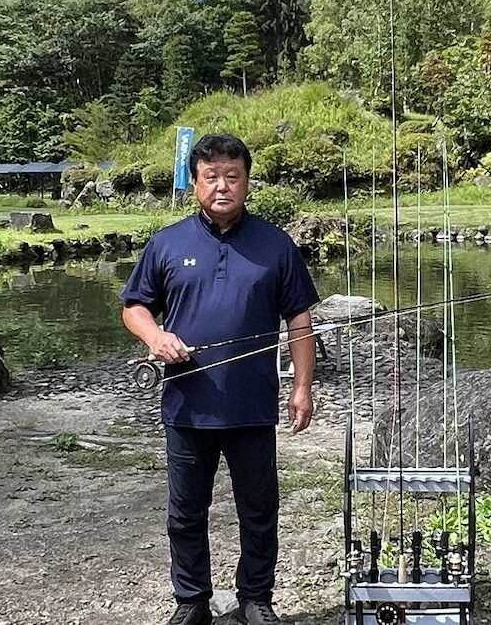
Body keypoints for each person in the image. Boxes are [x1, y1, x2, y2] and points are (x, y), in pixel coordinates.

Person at [120, 133, 320, 625]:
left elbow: (299, 320)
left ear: (247, 181)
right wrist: (155, 337)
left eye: (232, 176)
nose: (222, 186)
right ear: (195, 183)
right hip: (187, 406)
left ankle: (256, 598)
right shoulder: (167, 243)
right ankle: (191, 601)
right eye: (211, 177)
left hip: (252, 406)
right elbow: (134, 307)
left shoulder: (276, 244)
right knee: (185, 511)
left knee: (259, 510)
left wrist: (302, 387)